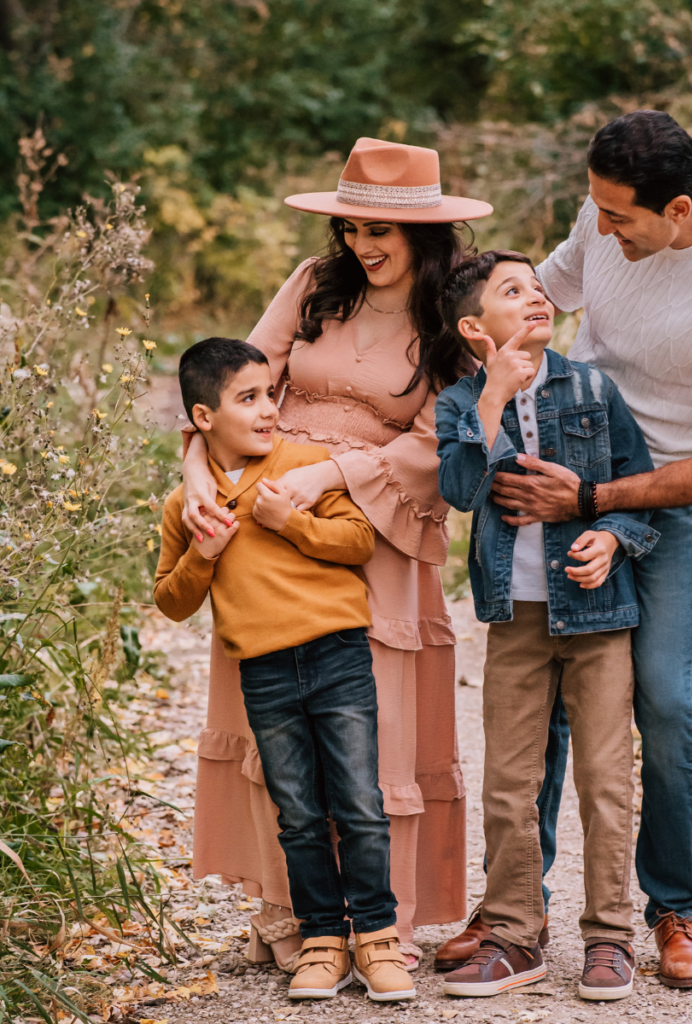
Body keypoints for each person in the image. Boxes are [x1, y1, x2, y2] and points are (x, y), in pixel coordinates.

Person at [469, 110, 692, 989]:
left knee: (666, 700)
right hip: (564, 467)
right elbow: (541, 300)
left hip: (662, 503)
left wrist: (599, 500)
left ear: (679, 209)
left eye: (619, 219)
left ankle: (674, 906)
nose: (599, 231)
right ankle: (513, 908)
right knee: (545, 701)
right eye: (595, 211)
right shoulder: (604, 214)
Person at [178, 139, 493, 971]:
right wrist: (195, 469)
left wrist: (334, 472)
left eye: (382, 228)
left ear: (426, 232)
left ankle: (377, 922)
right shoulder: (316, 288)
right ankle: (294, 913)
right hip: (269, 506)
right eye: (351, 225)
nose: (364, 244)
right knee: (273, 713)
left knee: (370, 732)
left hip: (380, 522)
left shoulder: (449, 319)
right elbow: (232, 381)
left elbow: (439, 438)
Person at [155, 338, 416, 1002]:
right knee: (298, 811)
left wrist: (292, 521)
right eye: (248, 398)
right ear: (203, 417)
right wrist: (204, 556)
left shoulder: (303, 467)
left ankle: (378, 937)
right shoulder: (187, 505)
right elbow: (171, 600)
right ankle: (323, 939)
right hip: (264, 671)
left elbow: (359, 540)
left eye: (271, 393)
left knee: (358, 802)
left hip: (337, 654)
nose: (270, 408)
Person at [434, 252, 658, 1001]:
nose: (535, 297)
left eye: (537, 286)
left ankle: (609, 938)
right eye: (512, 291)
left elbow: (636, 491)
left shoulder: (593, 387)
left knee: (604, 781)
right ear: (475, 328)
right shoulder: (459, 402)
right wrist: (491, 398)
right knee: (509, 782)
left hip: (598, 617)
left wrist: (612, 535)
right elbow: (463, 490)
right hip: (517, 619)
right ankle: (514, 933)